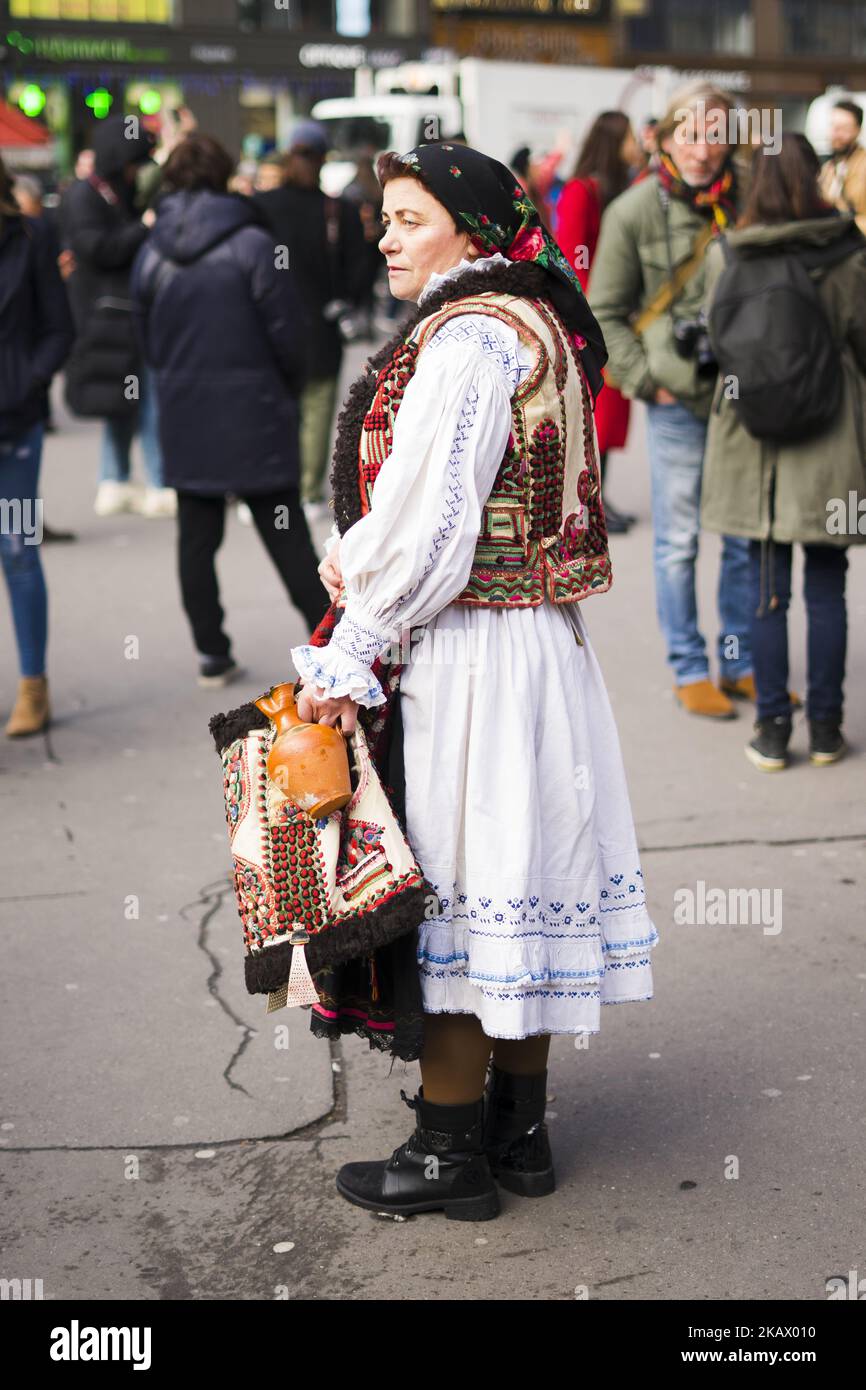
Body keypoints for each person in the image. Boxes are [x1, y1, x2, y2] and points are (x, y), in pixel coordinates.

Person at [287, 141, 659, 1221]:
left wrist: (351, 639)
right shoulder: (533, 314)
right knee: (523, 869)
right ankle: (519, 1133)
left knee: (448, 882)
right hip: (538, 642)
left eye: (408, 218)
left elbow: (431, 530)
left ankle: (450, 1155)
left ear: (467, 227)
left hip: (470, 651)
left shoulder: (464, 340)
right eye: (384, 218)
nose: (386, 235)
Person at [130, 134, 325, 688]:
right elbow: (288, 336)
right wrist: (283, 389)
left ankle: (212, 651)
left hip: (187, 411)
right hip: (256, 413)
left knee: (196, 539)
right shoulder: (255, 244)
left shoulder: (150, 251)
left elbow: (145, 341)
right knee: (286, 536)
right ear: (224, 175)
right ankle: (329, 641)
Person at [701, 134, 866, 771]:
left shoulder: (726, 254)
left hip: (755, 441)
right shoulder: (849, 252)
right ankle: (826, 728)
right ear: (816, 181)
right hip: (829, 436)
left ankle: (772, 731)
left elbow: (717, 342)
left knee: (766, 595)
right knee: (828, 589)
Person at [590, 81, 754, 719]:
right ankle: (690, 666)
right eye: (690, 132)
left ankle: (739, 663)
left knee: (743, 537)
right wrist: (644, 379)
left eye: (716, 134)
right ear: (663, 137)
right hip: (677, 400)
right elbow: (602, 310)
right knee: (679, 540)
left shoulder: (749, 202)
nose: (703, 148)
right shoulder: (633, 210)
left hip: (746, 402)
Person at [59, 114, 172, 520]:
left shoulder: (106, 192)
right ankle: (152, 482)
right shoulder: (86, 196)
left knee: (127, 400)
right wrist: (143, 227)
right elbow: (98, 249)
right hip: (109, 316)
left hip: (116, 314)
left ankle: (117, 480)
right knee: (141, 400)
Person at [254, 120, 367, 517]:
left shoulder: (261, 207)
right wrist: (344, 301)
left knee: (274, 409)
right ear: (322, 159)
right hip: (320, 326)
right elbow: (360, 269)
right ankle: (306, 492)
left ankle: (266, 492)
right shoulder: (338, 210)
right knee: (317, 409)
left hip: (268, 326)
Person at [0, 157, 74, 736]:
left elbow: (59, 327)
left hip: (14, 427)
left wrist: (27, 380)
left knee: (19, 548)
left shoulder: (28, 235)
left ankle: (34, 686)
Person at [556, 111, 641, 533]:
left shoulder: (615, 188)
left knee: (607, 414)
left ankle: (597, 501)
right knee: (596, 414)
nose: (637, 146)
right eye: (630, 138)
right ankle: (587, 505)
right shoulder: (580, 190)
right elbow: (572, 258)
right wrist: (598, 312)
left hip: (614, 315)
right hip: (593, 319)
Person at [818, 99, 866, 235]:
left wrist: (839, 205)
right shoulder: (828, 168)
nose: (836, 134)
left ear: (858, 130)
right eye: (833, 127)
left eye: (844, 129)